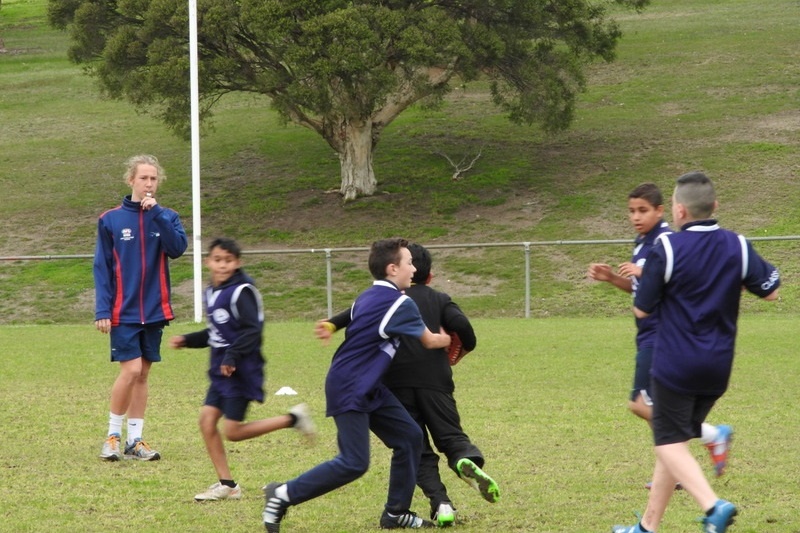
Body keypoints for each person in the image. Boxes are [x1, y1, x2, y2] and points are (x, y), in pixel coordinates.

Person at [612, 171, 780, 533]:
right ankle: (647, 527)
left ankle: (713, 505)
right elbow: (771, 290)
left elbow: (643, 308)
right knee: (675, 437)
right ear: (715, 206)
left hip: (676, 364)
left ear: (679, 210)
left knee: (668, 442)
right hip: (718, 368)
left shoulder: (667, 248)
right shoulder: (738, 244)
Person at [261, 238, 452, 532]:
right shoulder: (402, 303)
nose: (414, 268)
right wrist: (447, 338)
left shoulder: (371, 294)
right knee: (353, 462)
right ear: (392, 268)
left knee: (410, 437)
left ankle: (396, 513)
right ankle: (282, 494)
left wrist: (331, 325)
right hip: (351, 385)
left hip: (368, 384)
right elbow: (429, 341)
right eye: (409, 262)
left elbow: (350, 313)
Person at [317, 243, 499, 527]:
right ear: (429, 275)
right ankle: (464, 458)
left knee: (419, 448)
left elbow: (350, 312)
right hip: (435, 380)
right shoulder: (437, 299)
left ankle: (441, 503)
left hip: (395, 381)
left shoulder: (382, 298)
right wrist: (457, 347)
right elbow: (461, 325)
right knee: (450, 436)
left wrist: (330, 324)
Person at [588, 183, 732, 483]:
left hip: (662, 333)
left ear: (660, 210)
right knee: (655, 407)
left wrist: (646, 272)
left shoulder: (667, 241)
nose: (636, 217)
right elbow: (642, 289)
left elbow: (680, 280)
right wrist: (613, 278)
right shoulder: (642, 242)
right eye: (631, 211)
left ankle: (711, 435)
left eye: (642, 210)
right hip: (647, 333)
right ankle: (676, 470)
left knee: (640, 405)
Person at [168, 238, 317, 501]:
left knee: (233, 432)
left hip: (241, 368)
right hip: (221, 369)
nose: (222, 265)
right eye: (217, 259)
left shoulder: (243, 291)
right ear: (208, 261)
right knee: (206, 421)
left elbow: (253, 331)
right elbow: (215, 333)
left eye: (228, 260)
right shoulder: (211, 292)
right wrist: (188, 340)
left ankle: (293, 419)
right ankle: (227, 484)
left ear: (237, 263)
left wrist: (233, 356)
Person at [94, 154, 188, 461]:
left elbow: (177, 249)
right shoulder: (110, 220)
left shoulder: (167, 216)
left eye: (153, 178)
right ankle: (112, 435)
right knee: (131, 370)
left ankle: (135, 441)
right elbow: (102, 267)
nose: (148, 183)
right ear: (130, 180)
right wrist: (103, 310)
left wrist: (158, 214)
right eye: (143, 178)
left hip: (155, 309)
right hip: (123, 310)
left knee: (143, 374)